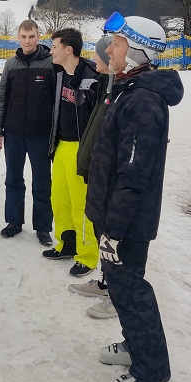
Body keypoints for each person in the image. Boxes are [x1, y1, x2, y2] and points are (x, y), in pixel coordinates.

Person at [85, 13, 183, 382]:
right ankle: (134, 345)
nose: (109, 49)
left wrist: (113, 229)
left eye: (117, 44)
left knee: (131, 291)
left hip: (124, 221)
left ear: (138, 51)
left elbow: (133, 174)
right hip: (115, 216)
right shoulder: (130, 89)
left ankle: (152, 374)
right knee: (123, 290)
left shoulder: (143, 100)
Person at [0, 20, 55, 245]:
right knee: (13, 179)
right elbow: (2, 99)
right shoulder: (11, 65)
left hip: (40, 134)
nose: (27, 41)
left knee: (42, 181)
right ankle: (14, 221)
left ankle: (43, 227)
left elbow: (56, 102)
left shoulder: (50, 64)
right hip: (14, 133)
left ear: (39, 37)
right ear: (17, 38)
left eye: (32, 37)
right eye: (23, 37)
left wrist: (54, 133)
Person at [69, 35, 118, 316]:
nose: (95, 58)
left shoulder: (119, 91)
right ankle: (105, 281)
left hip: (110, 179)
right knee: (101, 232)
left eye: (99, 54)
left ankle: (116, 294)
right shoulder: (105, 86)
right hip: (96, 174)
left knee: (112, 239)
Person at [45, 28, 99, 276]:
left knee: (81, 204)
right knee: (60, 200)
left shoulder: (92, 76)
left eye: (54, 46)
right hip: (61, 145)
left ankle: (87, 256)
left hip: (81, 147)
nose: (51, 50)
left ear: (69, 49)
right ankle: (66, 243)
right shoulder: (58, 73)